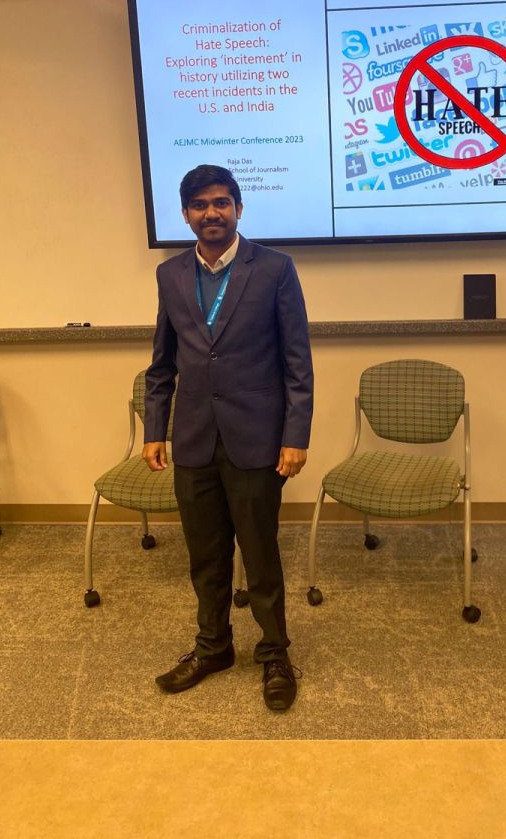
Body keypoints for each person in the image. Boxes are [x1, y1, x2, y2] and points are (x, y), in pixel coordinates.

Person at [142, 164, 313, 711]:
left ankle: (275, 653)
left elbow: (297, 362)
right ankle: (213, 647)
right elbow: (162, 362)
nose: (210, 213)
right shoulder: (170, 274)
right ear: (185, 214)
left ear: (238, 208)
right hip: (194, 439)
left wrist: (295, 434)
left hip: (257, 439)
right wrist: (155, 428)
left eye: (220, 202)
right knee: (205, 556)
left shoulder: (275, 269)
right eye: (199, 204)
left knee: (260, 555)